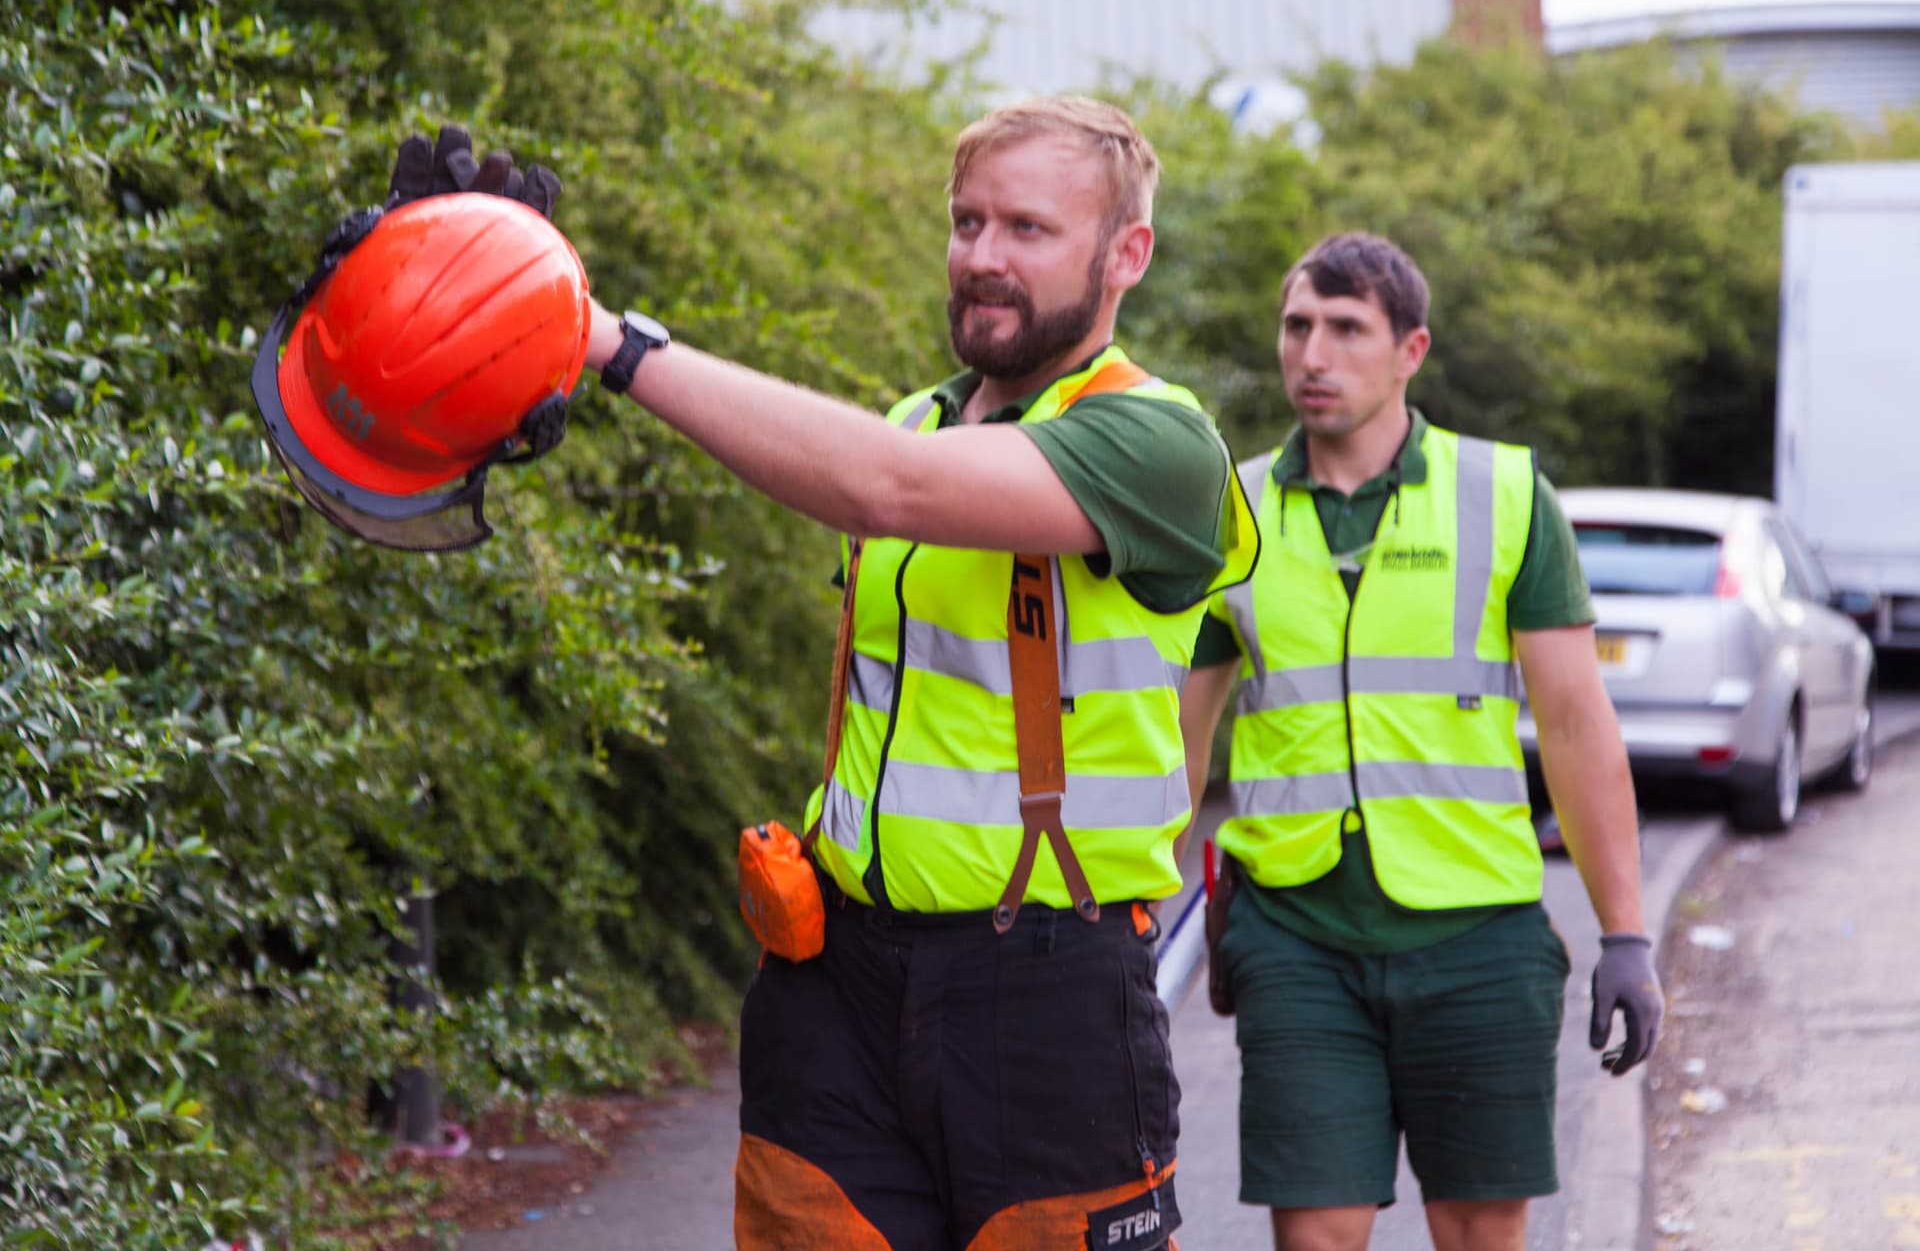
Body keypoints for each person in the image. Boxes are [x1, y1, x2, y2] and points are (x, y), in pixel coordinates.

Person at [542, 97, 1252, 1249]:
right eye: (968, 222)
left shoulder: (1159, 442)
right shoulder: (915, 418)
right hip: (835, 975)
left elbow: (888, 487)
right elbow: (882, 469)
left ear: (1128, 254)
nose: (982, 256)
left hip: (1047, 990)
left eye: (1027, 228)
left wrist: (604, 340)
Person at [1178, 232, 1663, 1251]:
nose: (1313, 354)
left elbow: (1576, 724)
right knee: (1317, 1232)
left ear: (1411, 349)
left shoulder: (1504, 495)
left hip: (1478, 936)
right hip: (1295, 934)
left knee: (1481, 1228)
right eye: (1297, 326)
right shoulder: (1235, 510)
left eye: (1346, 329)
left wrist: (1626, 933)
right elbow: (1180, 726)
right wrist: (1127, 905)